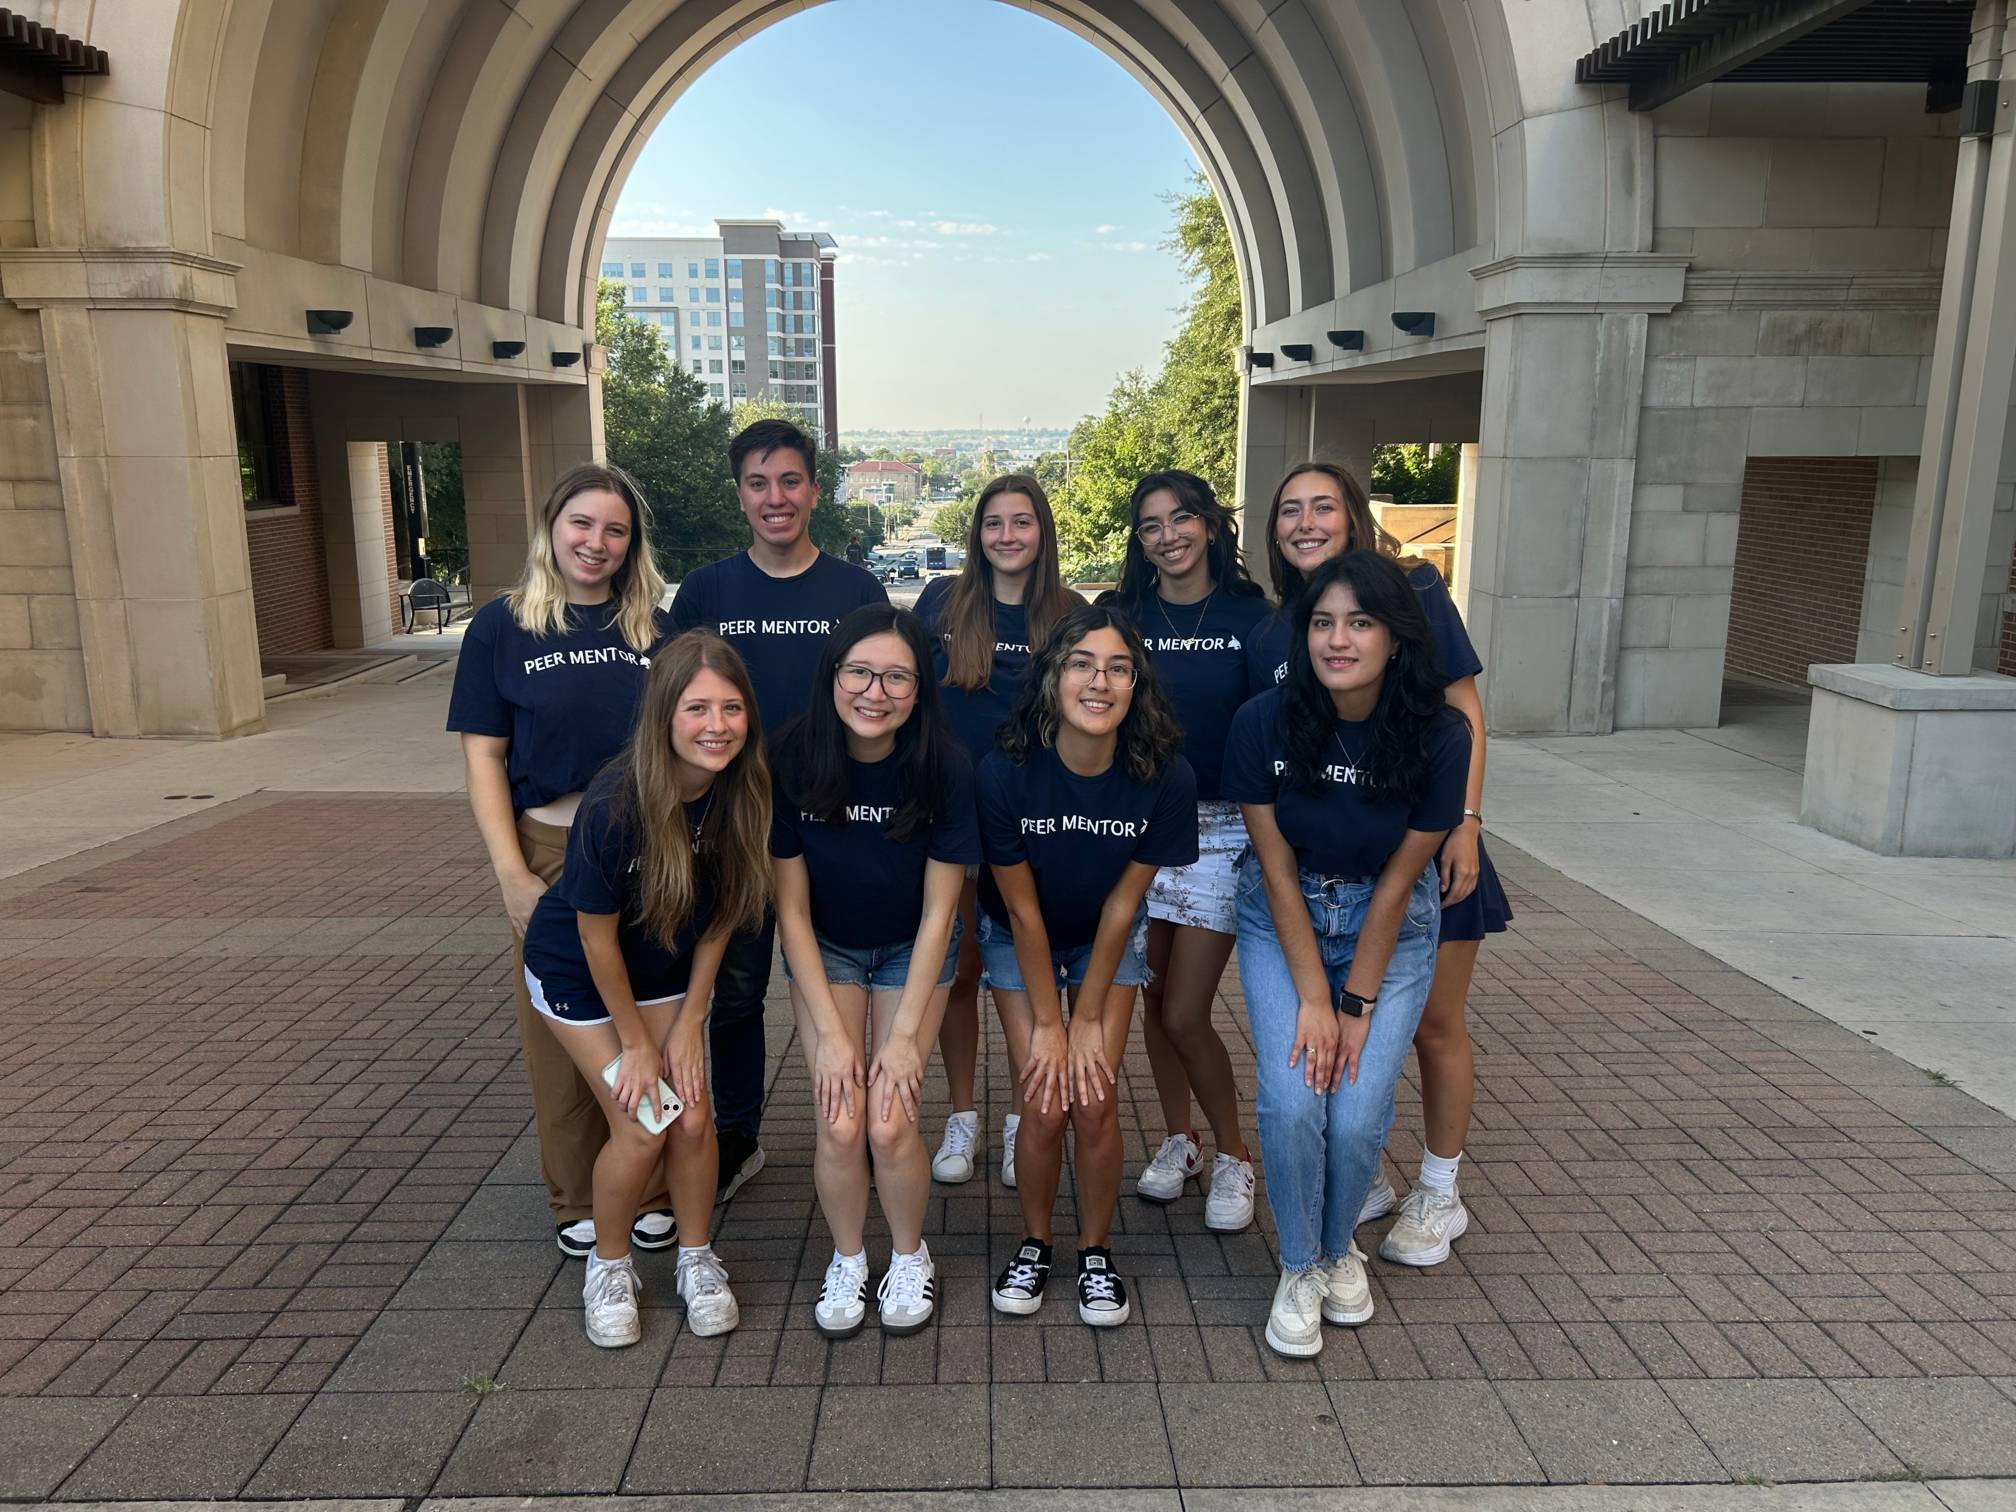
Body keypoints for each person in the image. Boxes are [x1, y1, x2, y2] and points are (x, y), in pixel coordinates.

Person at [1249, 461, 1511, 1267]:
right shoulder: (1281, 625)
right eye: (1289, 510)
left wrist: (1466, 821)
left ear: (1354, 518)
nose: (1305, 522)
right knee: (1328, 1027)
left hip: (1427, 847)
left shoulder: (1414, 593)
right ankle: (1355, 1176)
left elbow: (1463, 708)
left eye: (1323, 507)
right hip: (1326, 857)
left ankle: (1440, 1187)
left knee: (1433, 1023)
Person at [1222, 551, 1471, 1357]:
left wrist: (1354, 1006)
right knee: (1294, 1100)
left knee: (1358, 1110)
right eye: (1323, 622)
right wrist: (1313, 1001)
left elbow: (1403, 881)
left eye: (1360, 623)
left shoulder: (1440, 735)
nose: (1338, 639)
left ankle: (1338, 1251)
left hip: (1390, 926)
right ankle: (1301, 1265)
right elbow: (1275, 866)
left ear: (1395, 638)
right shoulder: (1263, 720)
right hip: (1282, 912)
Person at [447, 462, 676, 1260]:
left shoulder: (656, 629)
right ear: (552, 527)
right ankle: (575, 1196)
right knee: (558, 1029)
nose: (597, 542)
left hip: (647, 848)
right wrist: (510, 873)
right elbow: (484, 759)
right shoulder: (502, 628)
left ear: (631, 543)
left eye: (615, 530)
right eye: (582, 524)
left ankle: (648, 1183)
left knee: (642, 1014)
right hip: (547, 847)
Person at [519, 631, 772, 1347]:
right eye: (697, 708)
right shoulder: (614, 804)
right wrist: (636, 1044)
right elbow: (596, 940)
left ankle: (697, 1259)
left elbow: (724, 915)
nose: (716, 725)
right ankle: (609, 1264)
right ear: (664, 712)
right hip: (579, 973)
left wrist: (693, 1019)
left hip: (664, 972)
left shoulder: (743, 791)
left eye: (731, 707)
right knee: (642, 1121)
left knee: (693, 1117)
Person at [669, 419, 888, 1204]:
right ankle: (738, 1136)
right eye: (759, 484)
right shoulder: (706, 592)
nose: (776, 498)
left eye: (790, 481)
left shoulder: (855, 590)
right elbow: (675, 707)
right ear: (740, 496)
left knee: (846, 984)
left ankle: (858, 1126)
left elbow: (884, 696)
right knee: (732, 991)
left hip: (832, 826)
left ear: (815, 492)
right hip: (728, 831)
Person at [978, 604, 1198, 1327]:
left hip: (1107, 935)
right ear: (1051, 678)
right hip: (1024, 933)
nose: (1099, 681)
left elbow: (1121, 910)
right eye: (1081, 664)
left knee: (1096, 1096)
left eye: (1118, 667)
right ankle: (1035, 1241)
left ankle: (1094, 1250)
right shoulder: (1004, 770)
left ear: (1137, 685)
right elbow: (1022, 912)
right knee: (1044, 1098)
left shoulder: (1165, 776)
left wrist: (1090, 1018)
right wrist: (1051, 1022)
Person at [771, 605, 978, 1337]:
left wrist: (904, 1037)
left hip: (910, 951)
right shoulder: (792, 756)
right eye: (859, 671)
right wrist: (832, 1036)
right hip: (826, 948)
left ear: (920, 691)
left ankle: (911, 1254)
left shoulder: (945, 766)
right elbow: (791, 913)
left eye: (897, 676)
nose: (875, 691)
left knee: (889, 1121)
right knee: (838, 1116)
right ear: (832, 675)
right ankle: (850, 1258)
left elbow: (939, 914)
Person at [1098, 471, 1270, 1231]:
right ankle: (1181, 1140)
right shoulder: (1122, 615)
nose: (1167, 535)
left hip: (1223, 830)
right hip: (1136, 823)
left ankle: (1236, 1154)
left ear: (1209, 524)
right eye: (1150, 525)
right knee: (1150, 1004)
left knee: (1185, 1011)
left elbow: (1275, 725)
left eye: (1181, 518)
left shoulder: (1252, 616)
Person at [913, 475, 1083, 1191]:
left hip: (1033, 823)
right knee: (957, 973)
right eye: (993, 524)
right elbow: (912, 703)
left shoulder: (1072, 612)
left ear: (1043, 532)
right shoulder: (941, 604)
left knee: (1022, 971)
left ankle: (1023, 1121)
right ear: (976, 534)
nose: (1007, 536)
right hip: (952, 816)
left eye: (1022, 523)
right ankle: (962, 1114)